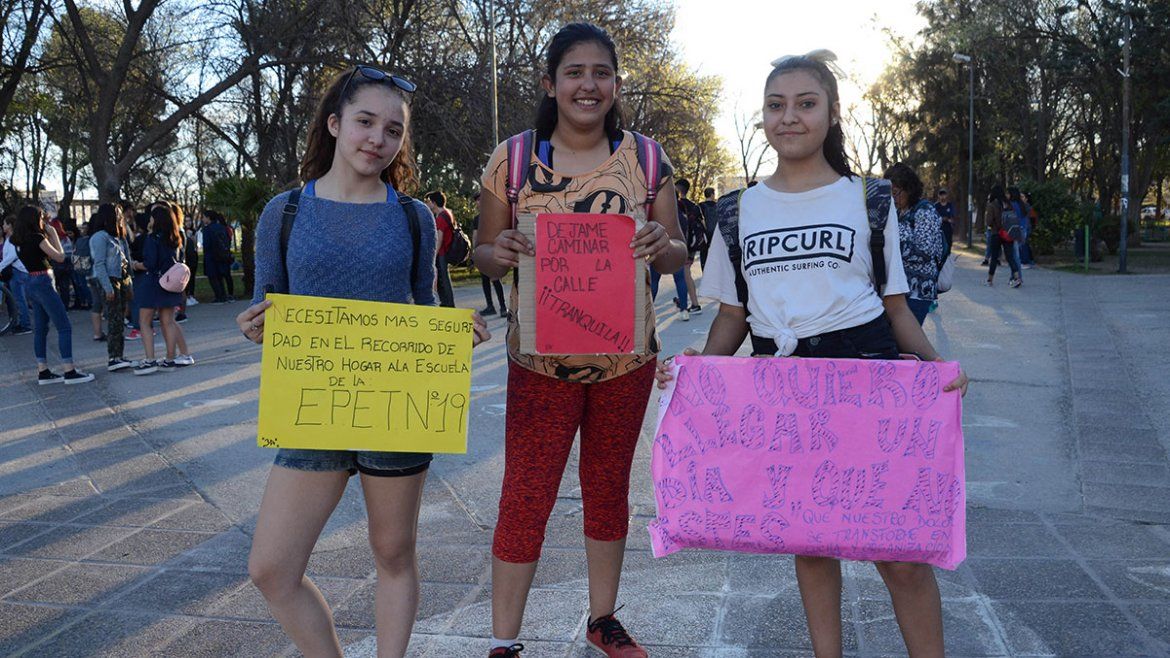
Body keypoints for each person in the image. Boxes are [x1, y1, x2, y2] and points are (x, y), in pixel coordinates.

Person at [658, 51, 968, 658]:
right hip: (780, 383)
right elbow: (732, 316)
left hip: (866, 372)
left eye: (805, 103)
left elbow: (896, 307)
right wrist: (699, 367)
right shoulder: (737, 210)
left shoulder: (870, 200)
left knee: (900, 555)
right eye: (776, 105)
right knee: (810, 538)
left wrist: (937, 370)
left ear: (832, 112)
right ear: (763, 117)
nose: (789, 117)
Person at [235, 65, 488, 658]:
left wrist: (453, 338)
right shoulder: (283, 212)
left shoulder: (414, 217)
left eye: (393, 130)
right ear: (334, 123)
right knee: (271, 568)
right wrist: (255, 327)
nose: (378, 138)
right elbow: (269, 307)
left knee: (393, 554)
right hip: (312, 407)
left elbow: (424, 306)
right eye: (366, 122)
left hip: (397, 409)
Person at [473, 22, 687, 658]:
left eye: (601, 73)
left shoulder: (648, 159)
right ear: (550, 83)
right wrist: (498, 250)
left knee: (608, 488)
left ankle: (603, 619)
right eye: (574, 73)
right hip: (539, 363)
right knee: (526, 494)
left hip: (626, 361)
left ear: (616, 84)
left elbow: (676, 253)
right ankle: (504, 641)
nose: (588, 85)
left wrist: (662, 244)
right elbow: (482, 254)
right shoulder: (513, 160)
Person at [10, 206, 95, 384]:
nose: (44, 221)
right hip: (43, 281)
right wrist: (54, 234)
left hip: (31, 281)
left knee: (40, 329)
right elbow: (60, 257)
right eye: (42, 217)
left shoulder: (18, 240)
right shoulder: (37, 238)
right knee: (64, 326)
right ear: (34, 219)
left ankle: (43, 370)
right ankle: (69, 370)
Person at [134, 202, 194, 373]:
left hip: (153, 283)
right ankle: (170, 358)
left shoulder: (152, 238)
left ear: (156, 220)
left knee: (144, 322)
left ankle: (150, 359)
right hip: (170, 283)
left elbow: (150, 263)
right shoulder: (175, 238)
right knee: (168, 322)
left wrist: (136, 265)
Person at [885, 163, 947, 325]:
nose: (892, 198)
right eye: (889, 194)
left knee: (905, 337)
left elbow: (925, 250)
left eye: (895, 193)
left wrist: (891, 248)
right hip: (899, 288)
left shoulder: (924, 211)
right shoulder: (898, 212)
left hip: (918, 290)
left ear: (909, 189)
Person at [89, 203, 135, 372]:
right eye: (118, 215)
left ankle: (119, 355)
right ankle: (113, 357)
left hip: (121, 280)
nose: (121, 218)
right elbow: (99, 264)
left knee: (120, 319)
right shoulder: (100, 237)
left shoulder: (118, 237)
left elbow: (126, 261)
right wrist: (108, 287)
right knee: (114, 319)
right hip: (110, 280)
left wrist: (129, 284)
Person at [471, 192, 507, 317]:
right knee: (485, 279)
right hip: (481, 251)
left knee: (495, 278)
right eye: (477, 201)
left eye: (480, 200)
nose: (478, 203)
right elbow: (475, 236)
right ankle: (490, 306)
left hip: (492, 250)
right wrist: (474, 252)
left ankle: (503, 307)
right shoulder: (477, 219)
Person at [675, 178, 704, 314]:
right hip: (692, 245)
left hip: (681, 244)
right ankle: (685, 300)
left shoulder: (677, 205)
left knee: (685, 274)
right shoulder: (694, 206)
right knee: (685, 274)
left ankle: (694, 304)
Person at [984, 185, 1022, 287]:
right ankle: (1017, 277)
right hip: (1007, 233)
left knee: (994, 257)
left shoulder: (992, 205)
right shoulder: (1008, 204)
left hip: (996, 233)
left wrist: (993, 224)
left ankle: (990, 280)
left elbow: (988, 222)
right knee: (1010, 257)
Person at [1, 216, 33, 335]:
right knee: (17, 299)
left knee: (19, 299)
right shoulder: (10, 238)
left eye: (5, 224)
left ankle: (25, 325)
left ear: (10, 225)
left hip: (17, 272)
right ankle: (20, 322)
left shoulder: (13, 238)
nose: (3, 226)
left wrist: (0, 266)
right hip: (16, 271)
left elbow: (12, 256)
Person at [424, 190, 456, 308]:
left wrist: (434, 255)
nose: (428, 204)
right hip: (446, 251)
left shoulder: (441, 217)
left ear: (434, 203)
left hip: (442, 252)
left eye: (429, 201)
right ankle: (446, 302)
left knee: (443, 278)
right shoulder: (447, 213)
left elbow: (439, 238)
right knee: (443, 278)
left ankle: (449, 303)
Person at [75, 217, 104, 340]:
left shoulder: (83, 240)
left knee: (96, 304)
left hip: (89, 275)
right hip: (100, 274)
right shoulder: (99, 239)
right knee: (108, 304)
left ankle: (97, 333)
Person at [201, 210, 234, 303]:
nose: (203, 219)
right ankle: (224, 295)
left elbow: (206, 244)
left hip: (211, 256)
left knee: (213, 277)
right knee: (220, 276)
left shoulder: (207, 229)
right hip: (222, 255)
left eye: (204, 217)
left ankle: (219, 296)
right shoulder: (222, 227)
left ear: (208, 218)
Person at [1009, 186, 1035, 268]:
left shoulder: (1022, 205)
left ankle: (1024, 261)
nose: (1021, 198)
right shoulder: (1021, 204)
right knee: (1023, 245)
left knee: (1021, 245)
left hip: (1022, 226)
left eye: (1023, 196)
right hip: (1023, 226)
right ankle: (1026, 261)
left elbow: (1031, 218)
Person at [698, 185, 717, 268]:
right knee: (715, 252)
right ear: (712, 194)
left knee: (704, 252)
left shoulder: (700, 206)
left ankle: (704, 268)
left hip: (704, 233)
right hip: (715, 232)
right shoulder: (717, 205)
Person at [183, 219, 200, 305]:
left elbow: (196, 245)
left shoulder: (194, 232)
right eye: (186, 221)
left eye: (189, 221)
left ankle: (191, 295)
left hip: (193, 255)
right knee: (186, 277)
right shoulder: (182, 232)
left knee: (192, 276)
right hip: (186, 256)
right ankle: (186, 296)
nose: (188, 223)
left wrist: (192, 238)